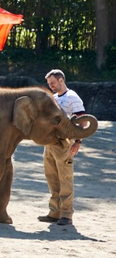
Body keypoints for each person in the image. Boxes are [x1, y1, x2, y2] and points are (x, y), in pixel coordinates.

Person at [39, 69, 86, 226]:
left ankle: (66, 215)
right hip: (50, 143)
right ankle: (55, 212)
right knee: (52, 177)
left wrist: (78, 141)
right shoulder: (53, 98)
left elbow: (83, 121)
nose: (50, 86)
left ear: (61, 80)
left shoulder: (72, 97)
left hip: (64, 143)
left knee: (65, 178)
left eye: (52, 83)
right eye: (49, 84)